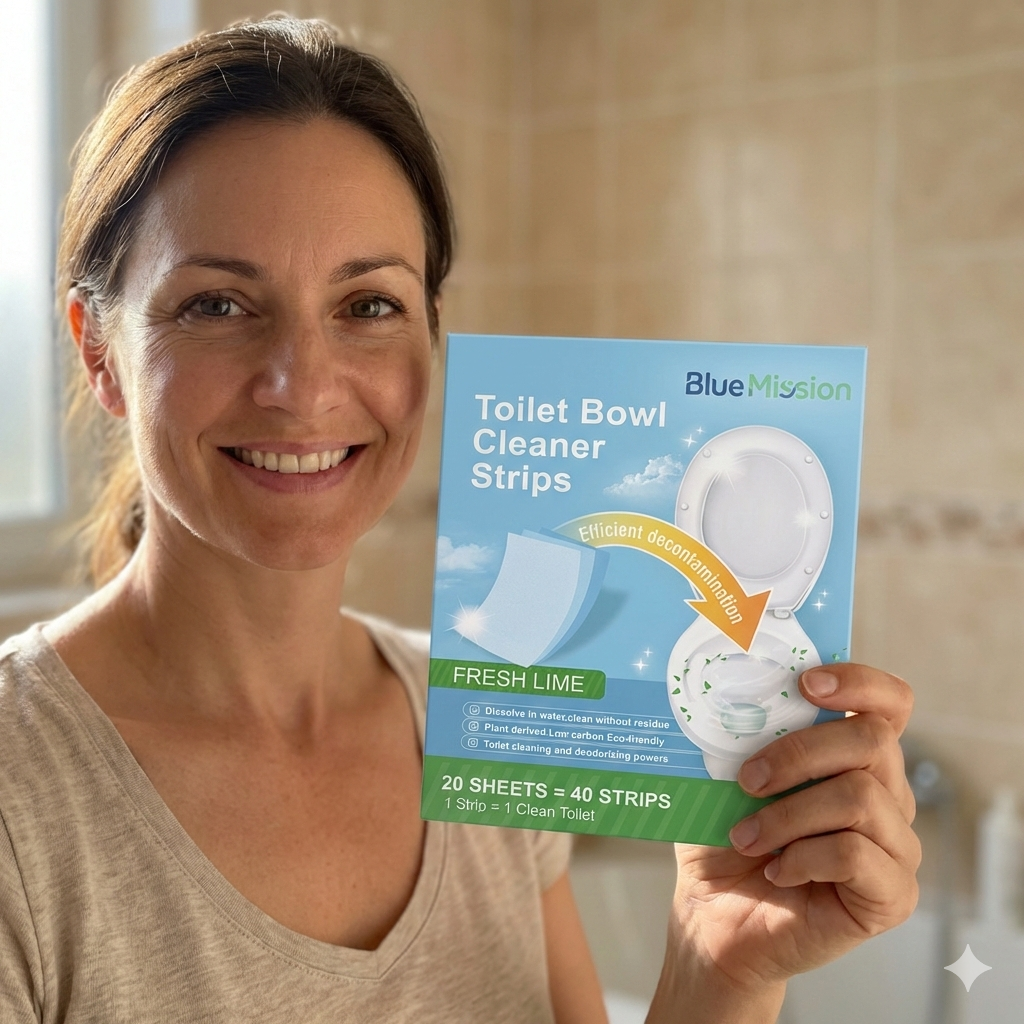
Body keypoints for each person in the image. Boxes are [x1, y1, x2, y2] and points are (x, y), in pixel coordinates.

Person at [0, 16, 920, 1023]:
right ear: (98, 351)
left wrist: (720, 971)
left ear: (431, 337)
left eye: (368, 306)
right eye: (217, 305)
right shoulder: (19, 796)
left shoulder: (484, 719)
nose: (303, 386)